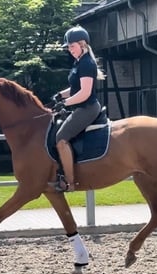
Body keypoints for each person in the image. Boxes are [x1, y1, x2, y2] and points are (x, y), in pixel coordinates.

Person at [52, 25, 106, 192]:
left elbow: (84, 92)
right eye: (68, 47)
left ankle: (70, 181)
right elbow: (75, 88)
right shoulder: (79, 62)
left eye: (72, 46)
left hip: (88, 108)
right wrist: (60, 95)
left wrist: (65, 103)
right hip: (81, 107)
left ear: (82, 44)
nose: (70, 50)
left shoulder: (86, 63)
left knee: (61, 138)